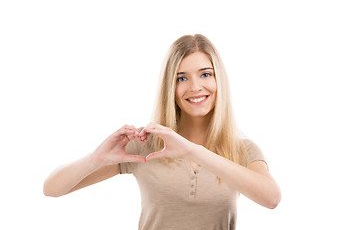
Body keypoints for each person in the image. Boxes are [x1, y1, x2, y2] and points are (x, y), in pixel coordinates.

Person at [43, 34, 281, 229]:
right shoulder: (145, 144)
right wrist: (96, 158)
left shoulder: (242, 150)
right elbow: (52, 189)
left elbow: (271, 198)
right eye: (181, 78)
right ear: (170, 87)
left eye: (205, 74)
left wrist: (192, 151)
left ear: (219, 79)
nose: (195, 87)